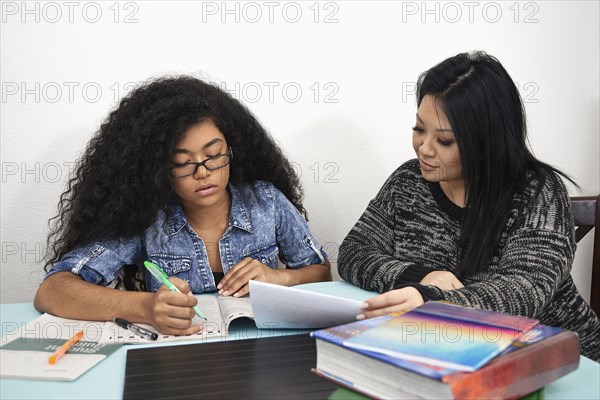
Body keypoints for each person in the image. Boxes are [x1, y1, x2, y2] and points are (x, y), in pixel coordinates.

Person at [338, 51, 600, 361]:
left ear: (486, 140)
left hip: (558, 361)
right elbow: (354, 252)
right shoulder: (408, 181)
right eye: (419, 129)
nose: (424, 148)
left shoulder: (537, 192)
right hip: (454, 354)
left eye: (444, 140)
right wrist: (419, 276)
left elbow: (524, 290)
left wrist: (430, 300)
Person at [34, 76, 331, 335]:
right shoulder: (147, 219)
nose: (202, 173)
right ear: (158, 169)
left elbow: (320, 272)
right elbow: (52, 291)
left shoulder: (267, 202)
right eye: (182, 163)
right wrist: (147, 307)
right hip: (180, 358)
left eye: (213, 155)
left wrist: (281, 277)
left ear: (232, 149)